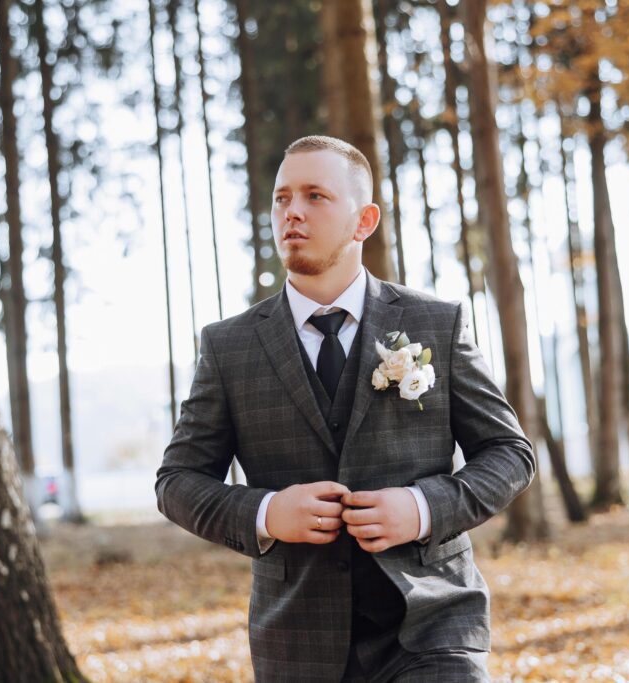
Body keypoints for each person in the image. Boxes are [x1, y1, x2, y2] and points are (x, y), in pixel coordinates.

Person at [155, 135, 535, 681]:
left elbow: (510, 453)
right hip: (298, 643)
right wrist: (266, 514)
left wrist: (422, 508)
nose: (293, 213)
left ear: (364, 220)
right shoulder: (228, 347)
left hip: (433, 625)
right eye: (282, 198)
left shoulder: (438, 323)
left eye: (315, 196)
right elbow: (177, 481)